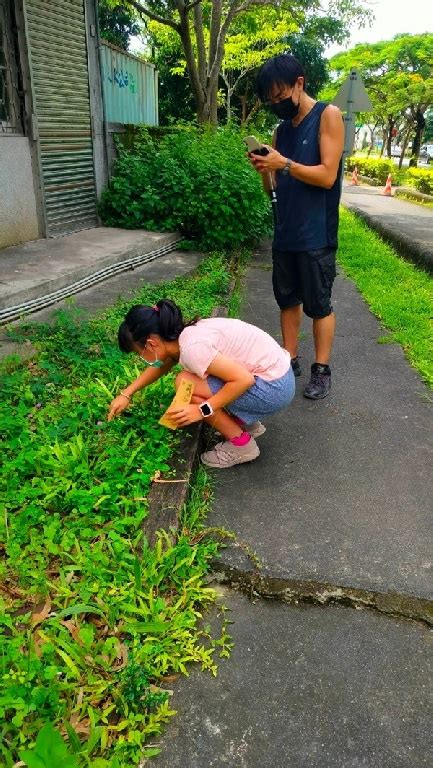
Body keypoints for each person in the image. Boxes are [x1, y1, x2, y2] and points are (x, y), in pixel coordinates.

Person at [248, 54, 344, 399]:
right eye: (271, 101)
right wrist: (266, 169)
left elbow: (327, 175)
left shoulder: (328, 116)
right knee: (287, 300)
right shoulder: (280, 130)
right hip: (285, 231)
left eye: (281, 96)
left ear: (299, 84)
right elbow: (274, 185)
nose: (277, 105)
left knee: (319, 304)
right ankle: (289, 358)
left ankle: (322, 369)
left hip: (316, 234)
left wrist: (284, 163)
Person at [107, 299, 295, 469]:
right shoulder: (186, 336)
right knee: (188, 381)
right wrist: (127, 393)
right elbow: (166, 362)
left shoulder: (193, 349)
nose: (141, 359)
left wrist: (200, 410)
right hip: (279, 377)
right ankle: (248, 425)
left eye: (139, 353)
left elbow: (244, 380)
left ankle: (242, 445)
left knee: (187, 386)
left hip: (273, 389)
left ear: (151, 343)